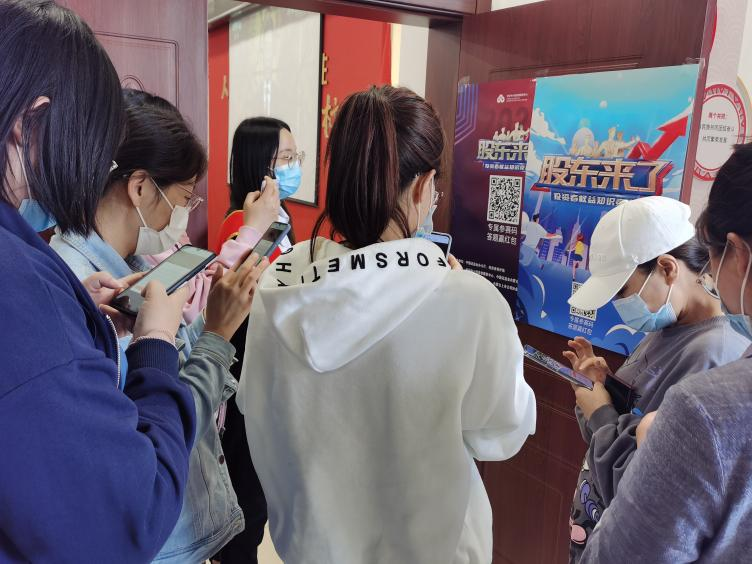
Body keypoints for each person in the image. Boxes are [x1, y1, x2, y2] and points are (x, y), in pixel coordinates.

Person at [235, 85, 537, 564]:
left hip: (310, 550)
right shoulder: (470, 302)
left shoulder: (278, 282)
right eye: (435, 188)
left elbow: (254, 405)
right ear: (422, 186)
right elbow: (502, 432)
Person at [0, 1, 198, 561]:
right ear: (31, 124)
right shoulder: (21, 284)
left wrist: (71, 317)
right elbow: (128, 513)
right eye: (92, 147)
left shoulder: (31, 272)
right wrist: (157, 344)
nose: (90, 170)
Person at [50, 89, 274, 562]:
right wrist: (217, 336)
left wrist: (200, 330)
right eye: (185, 197)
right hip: (154, 538)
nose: (184, 214)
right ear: (139, 187)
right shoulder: (77, 280)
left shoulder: (125, 267)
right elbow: (159, 425)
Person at [578, 145, 752, 563]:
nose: (620, 305)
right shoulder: (668, 325)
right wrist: (604, 388)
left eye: (622, 291)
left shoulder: (712, 363)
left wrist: (600, 413)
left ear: (668, 268)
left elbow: (646, 487)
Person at [215, 116, 304, 564]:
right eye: (285, 158)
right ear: (260, 166)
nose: (294, 166)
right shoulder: (240, 226)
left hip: (270, 372)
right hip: (245, 373)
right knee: (245, 502)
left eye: (295, 156)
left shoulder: (283, 219)